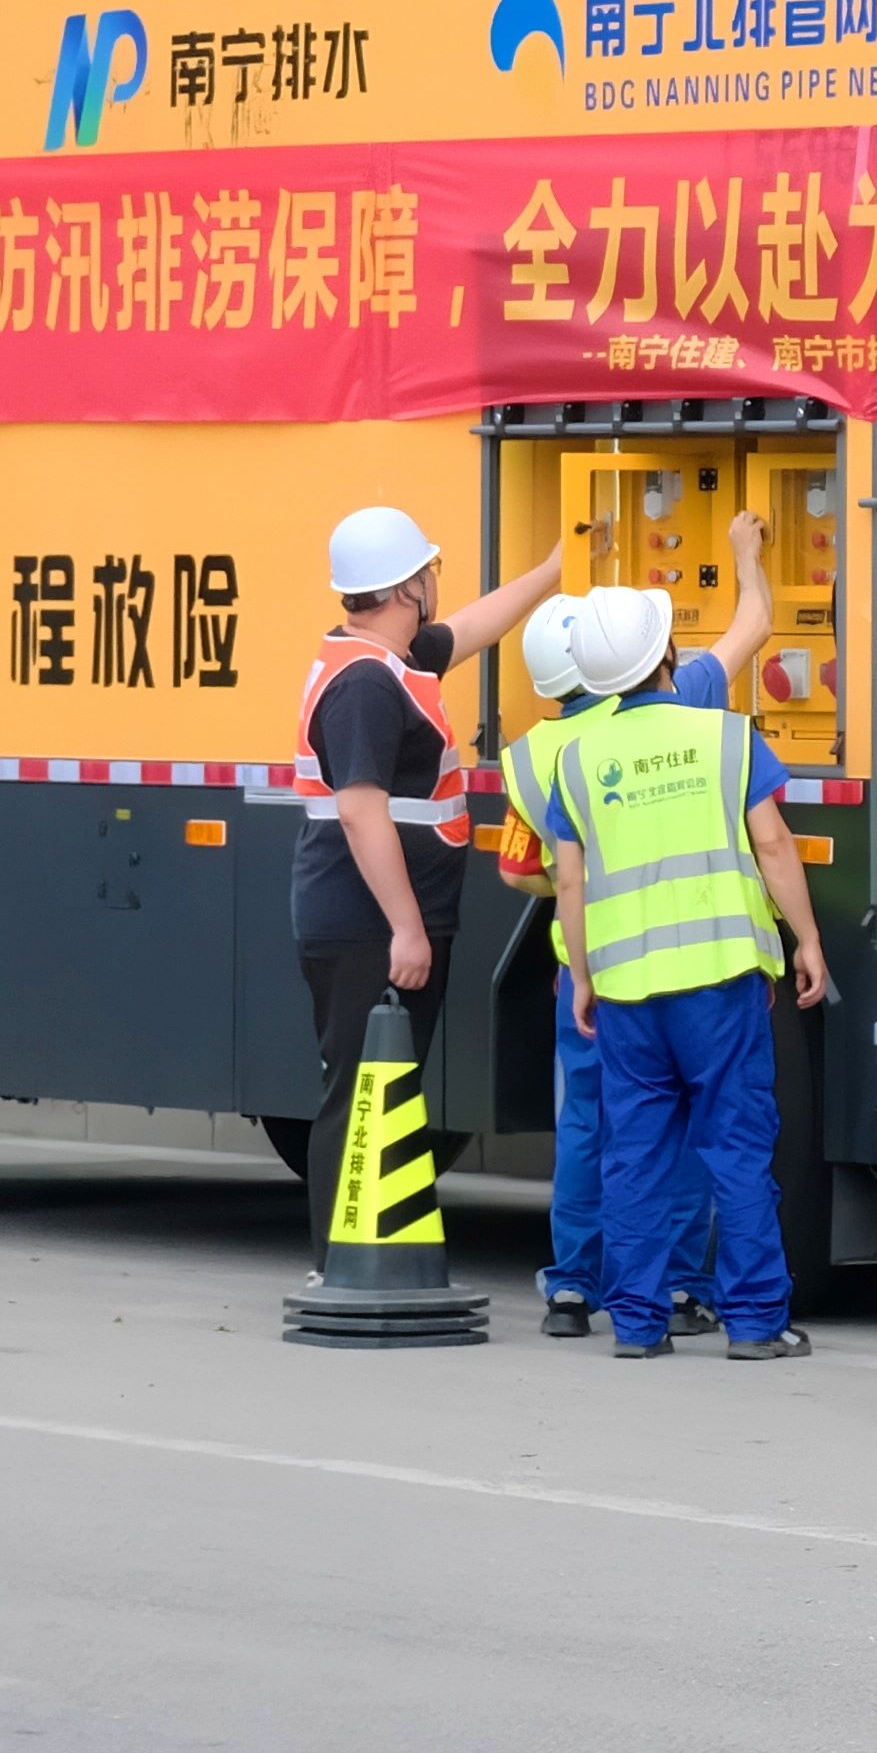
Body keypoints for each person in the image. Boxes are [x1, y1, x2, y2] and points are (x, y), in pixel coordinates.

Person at [529, 577, 834, 1357]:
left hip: (627, 994)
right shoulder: (726, 737)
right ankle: (756, 1323)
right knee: (735, 1149)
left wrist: (583, 978)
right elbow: (774, 844)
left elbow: (571, 883)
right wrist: (805, 939)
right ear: (667, 651)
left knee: (634, 1155)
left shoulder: (578, 760)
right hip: (722, 984)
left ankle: (637, 1325)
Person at [504, 522, 771, 1339]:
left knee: (594, 1130)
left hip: (589, 976)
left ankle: (575, 1288)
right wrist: (746, 556)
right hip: (697, 968)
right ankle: (682, 1285)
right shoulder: (687, 701)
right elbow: (753, 625)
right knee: (686, 1132)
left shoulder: (533, 756)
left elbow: (525, 871)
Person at [297, 503, 562, 1262]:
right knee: (361, 1093)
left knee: (386, 1087)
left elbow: (473, 627)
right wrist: (407, 929)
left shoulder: (393, 660)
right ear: (406, 588)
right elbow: (360, 812)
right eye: (429, 571)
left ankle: (372, 1255)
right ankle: (341, 1264)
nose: (436, 584)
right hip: (368, 925)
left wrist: (551, 573)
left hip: (380, 918)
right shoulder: (366, 685)